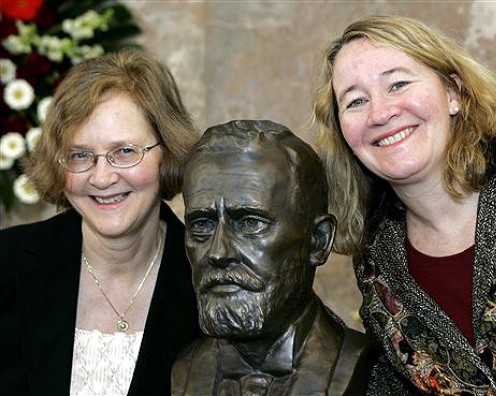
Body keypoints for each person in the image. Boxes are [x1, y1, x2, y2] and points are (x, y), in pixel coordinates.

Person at [313, 14, 496, 395]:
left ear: (453, 93)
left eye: (398, 83)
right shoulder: (377, 261)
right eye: (355, 101)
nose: (380, 113)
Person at [0, 50, 203, 396]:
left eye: (124, 151)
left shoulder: (208, 283)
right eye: (80, 155)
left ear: (167, 151)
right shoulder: (7, 264)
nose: (102, 177)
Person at [171, 119, 379, 396]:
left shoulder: (364, 365)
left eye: (249, 223)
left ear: (318, 241)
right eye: (202, 225)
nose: (218, 252)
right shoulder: (184, 367)